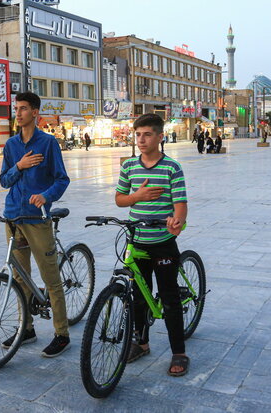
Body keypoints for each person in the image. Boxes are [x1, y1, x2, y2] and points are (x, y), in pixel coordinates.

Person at [0, 91, 72, 357]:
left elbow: (62, 179)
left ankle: (61, 334)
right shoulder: (11, 146)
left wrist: (46, 196)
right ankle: (26, 328)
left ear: (35, 113)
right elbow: (4, 181)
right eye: (16, 108)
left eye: (23, 109)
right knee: (19, 277)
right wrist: (19, 165)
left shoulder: (48, 143)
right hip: (13, 217)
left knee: (51, 278)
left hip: (37, 219)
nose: (18, 113)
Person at [115, 113, 189, 377]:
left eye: (147, 134)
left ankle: (179, 352)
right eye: (137, 134)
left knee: (169, 299)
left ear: (160, 136)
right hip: (137, 241)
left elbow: (180, 204)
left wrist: (176, 222)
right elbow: (120, 200)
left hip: (163, 242)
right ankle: (142, 343)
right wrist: (138, 196)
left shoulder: (171, 167)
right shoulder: (128, 167)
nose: (141, 139)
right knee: (138, 297)